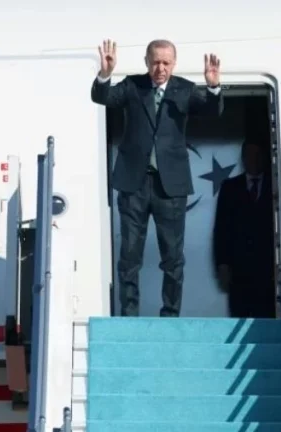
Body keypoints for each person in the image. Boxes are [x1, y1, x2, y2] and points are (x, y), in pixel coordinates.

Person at [91, 38, 224, 317]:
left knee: (173, 258)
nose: (160, 68)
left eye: (166, 63)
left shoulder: (184, 89)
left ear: (174, 64)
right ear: (146, 62)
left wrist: (213, 87)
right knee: (129, 256)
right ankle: (129, 316)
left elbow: (214, 111)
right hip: (134, 185)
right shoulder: (132, 86)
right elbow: (103, 98)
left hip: (170, 187)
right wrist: (105, 74)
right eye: (155, 62)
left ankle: (170, 315)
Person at [213, 141, 276, 318]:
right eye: (249, 155)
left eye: (258, 155)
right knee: (239, 316)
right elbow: (221, 229)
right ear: (243, 158)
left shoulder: (275, 185)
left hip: (268, 271)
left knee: (266, 319)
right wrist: (222, 264)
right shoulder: (230, 187)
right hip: (238, 271)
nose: (254, 160)